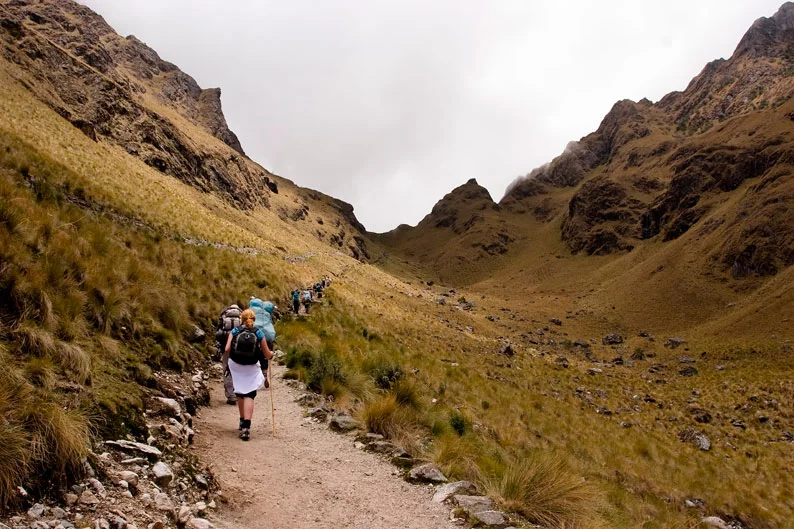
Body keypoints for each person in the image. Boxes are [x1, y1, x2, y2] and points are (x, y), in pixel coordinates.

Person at [224, 308, 273, 441]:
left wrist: (230, 360)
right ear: (254, 319)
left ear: (242, 319)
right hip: (251, 366)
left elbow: (227, 349)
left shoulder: (235, 331)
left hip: (236, 365)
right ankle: (246, 427)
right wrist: (271, 355)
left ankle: (241, 421)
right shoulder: (258, 333)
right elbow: (267, 354)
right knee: (249, 394)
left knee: (240, 391)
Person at [215, 304, 242, 405]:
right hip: (239, 349)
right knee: (238, 370)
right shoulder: (241, 316)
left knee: (227, 370)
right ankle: (239, 393)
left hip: (226, 349)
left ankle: (230, 396)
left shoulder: (223, 315)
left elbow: (217, 333)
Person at [248, 297, 277, 388]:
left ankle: (253, 378)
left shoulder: (252, 312)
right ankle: (264, 374)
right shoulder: (267, 313)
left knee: (254, 356)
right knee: (265, 357)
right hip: (267, 336)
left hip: (255, 336)